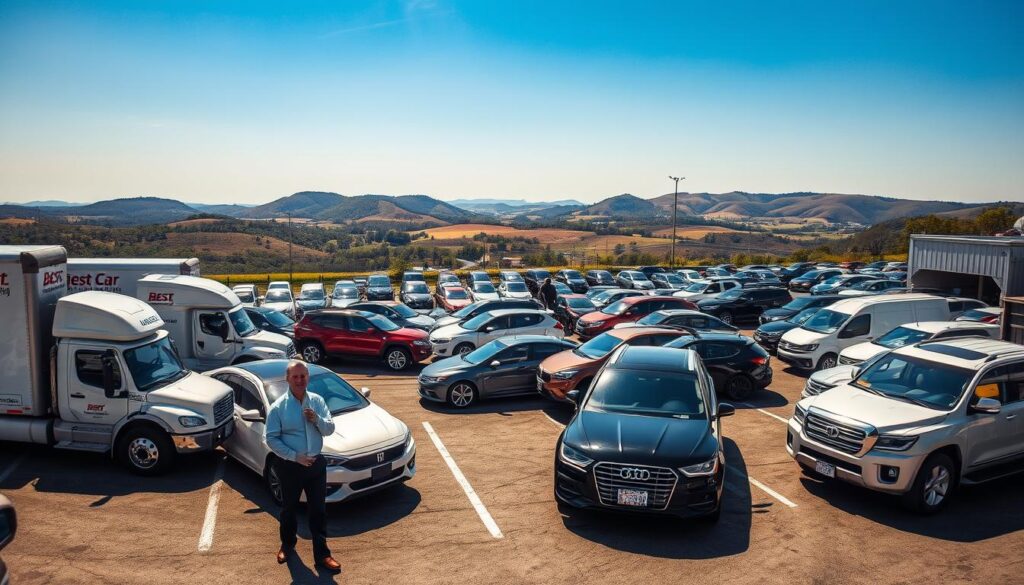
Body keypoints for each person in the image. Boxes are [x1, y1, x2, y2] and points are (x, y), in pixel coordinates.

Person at [264, 360, 341, 573]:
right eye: (295, 377)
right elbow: (270, 438)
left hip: (316, 465)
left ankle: (322, 555)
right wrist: (294, 456)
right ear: (288, 379)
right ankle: (288, 545)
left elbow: (330, 429)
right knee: (289, 510)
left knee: (318, 511)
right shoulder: (278, 407)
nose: (300, 380)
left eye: (303, 376)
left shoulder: (317, 401)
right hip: (290, 467)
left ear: (308, 377)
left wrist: (316, 419)